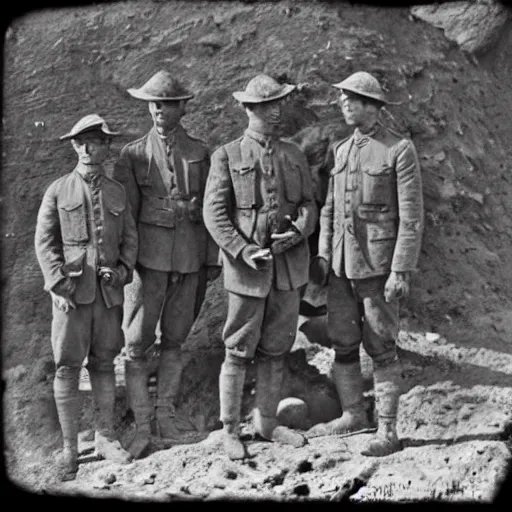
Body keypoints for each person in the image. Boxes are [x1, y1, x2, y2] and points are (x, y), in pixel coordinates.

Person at [309, 71, 424, 456]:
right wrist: (324, 255)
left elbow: (411, 217)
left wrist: (400, 270)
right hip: (341, 268)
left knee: (382, 346)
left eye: (353, 99)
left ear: (374, 107)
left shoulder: (398, 149)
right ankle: (353, 415)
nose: (345, 104)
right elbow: (328, 208)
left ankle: (388, 431)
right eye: (343, 99)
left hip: (378, 267)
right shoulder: (341, 150)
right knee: (343, 341)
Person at [203, 74, 318, 460]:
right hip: (247, 271)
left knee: (276, 348)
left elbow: (308, 205)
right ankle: (230, 430)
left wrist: (300, 232)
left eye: (280, 104)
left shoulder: (293, 154)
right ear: (249, 109)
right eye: (269, 106)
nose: (277, 111)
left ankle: (266, 423)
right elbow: (215, 214)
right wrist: (243, 249)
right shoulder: (227, 155)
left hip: (288, 271)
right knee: (238, 349)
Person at [111, 70, 220, 459]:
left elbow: (211, 209)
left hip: (189, 258)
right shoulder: (132, 155)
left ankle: (166, 418)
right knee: (137, 343)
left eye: (168, 104)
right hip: (148, 263)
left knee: (175, 339)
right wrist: (129, 264)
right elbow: (126, 218)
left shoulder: (200, 151)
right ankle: (142, 427)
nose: (160, 110)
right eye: (154, 104)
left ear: (182, 107)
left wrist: (211, 259)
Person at [34, 114, 138, 481]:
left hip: (107, 296)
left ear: (107, 146)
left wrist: (122, 273)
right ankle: (69, 449)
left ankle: (106, 437)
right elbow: (45, 245)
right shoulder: (58, 191)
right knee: (67, 367)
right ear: (74, 147)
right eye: (82, 142)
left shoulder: (117, 192)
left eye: (95, 141)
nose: (89, 148)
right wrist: (58, 287)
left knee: (106, 363)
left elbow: (130, 241)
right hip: (71, 297)